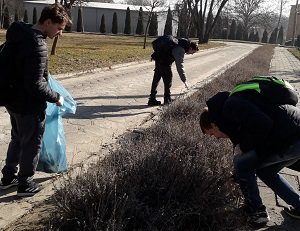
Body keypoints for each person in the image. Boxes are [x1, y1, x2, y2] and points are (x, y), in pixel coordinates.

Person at [0, 3, 72, 197]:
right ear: (48, 22)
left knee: (17, 138)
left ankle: (8, 178)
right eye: (59, 28)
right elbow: (35, 84)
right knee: (31, 143)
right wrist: (56, 97)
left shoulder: (18, 34)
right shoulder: (36, 44)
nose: (60, 33)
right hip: (28, 104)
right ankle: (25, 183)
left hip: (12, 101)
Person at [199, 90, 300, 224]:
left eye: (212, 134)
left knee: (240, 163)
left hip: (291, 136)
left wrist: (245, 147)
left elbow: (264, 125)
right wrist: (235, 178)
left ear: (213, 125)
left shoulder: (231, 108)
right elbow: (247, 145)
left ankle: (257, 212)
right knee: (265, 171)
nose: (217, 138)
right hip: (291, 135)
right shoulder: (229, 121)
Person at [148, 38, 199, 106]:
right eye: (193, 52)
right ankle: (167, 99)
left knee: (156, 79)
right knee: (168, 80)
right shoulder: (181, 49)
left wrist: (154, 56)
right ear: (191, 48)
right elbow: (179, 66)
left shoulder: (179, 43)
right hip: (164, 62)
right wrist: (184, 79)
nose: (192, 54)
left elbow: (166, 48)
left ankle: (152, 99)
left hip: (159, 59)